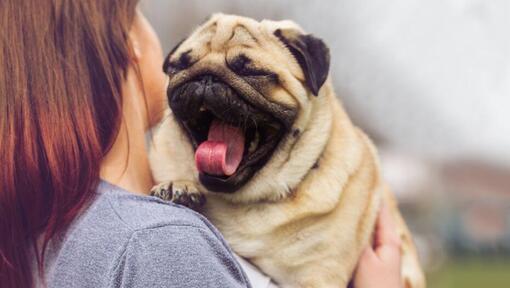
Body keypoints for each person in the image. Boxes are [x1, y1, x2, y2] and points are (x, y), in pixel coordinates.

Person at [0, 1, 403, 287]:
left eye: (248, 73)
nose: (211, 84)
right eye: (190, 63)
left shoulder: (48, 220)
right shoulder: (158, 244)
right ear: (131, 45)